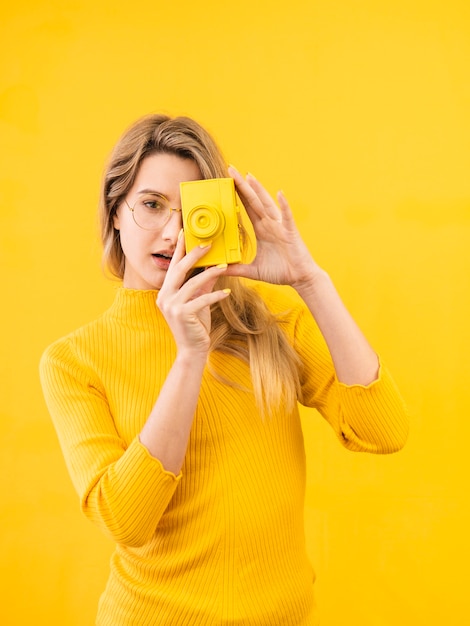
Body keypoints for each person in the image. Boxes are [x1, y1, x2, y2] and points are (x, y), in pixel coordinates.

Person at [40, 113, 409, 626]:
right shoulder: (74, 360)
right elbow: (126, 520)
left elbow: (383, 431)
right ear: (116, 210)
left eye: (190, 210)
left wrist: (309, 280)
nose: (173, 232)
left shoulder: (271, 324)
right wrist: (189, 358)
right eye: (151, 205)